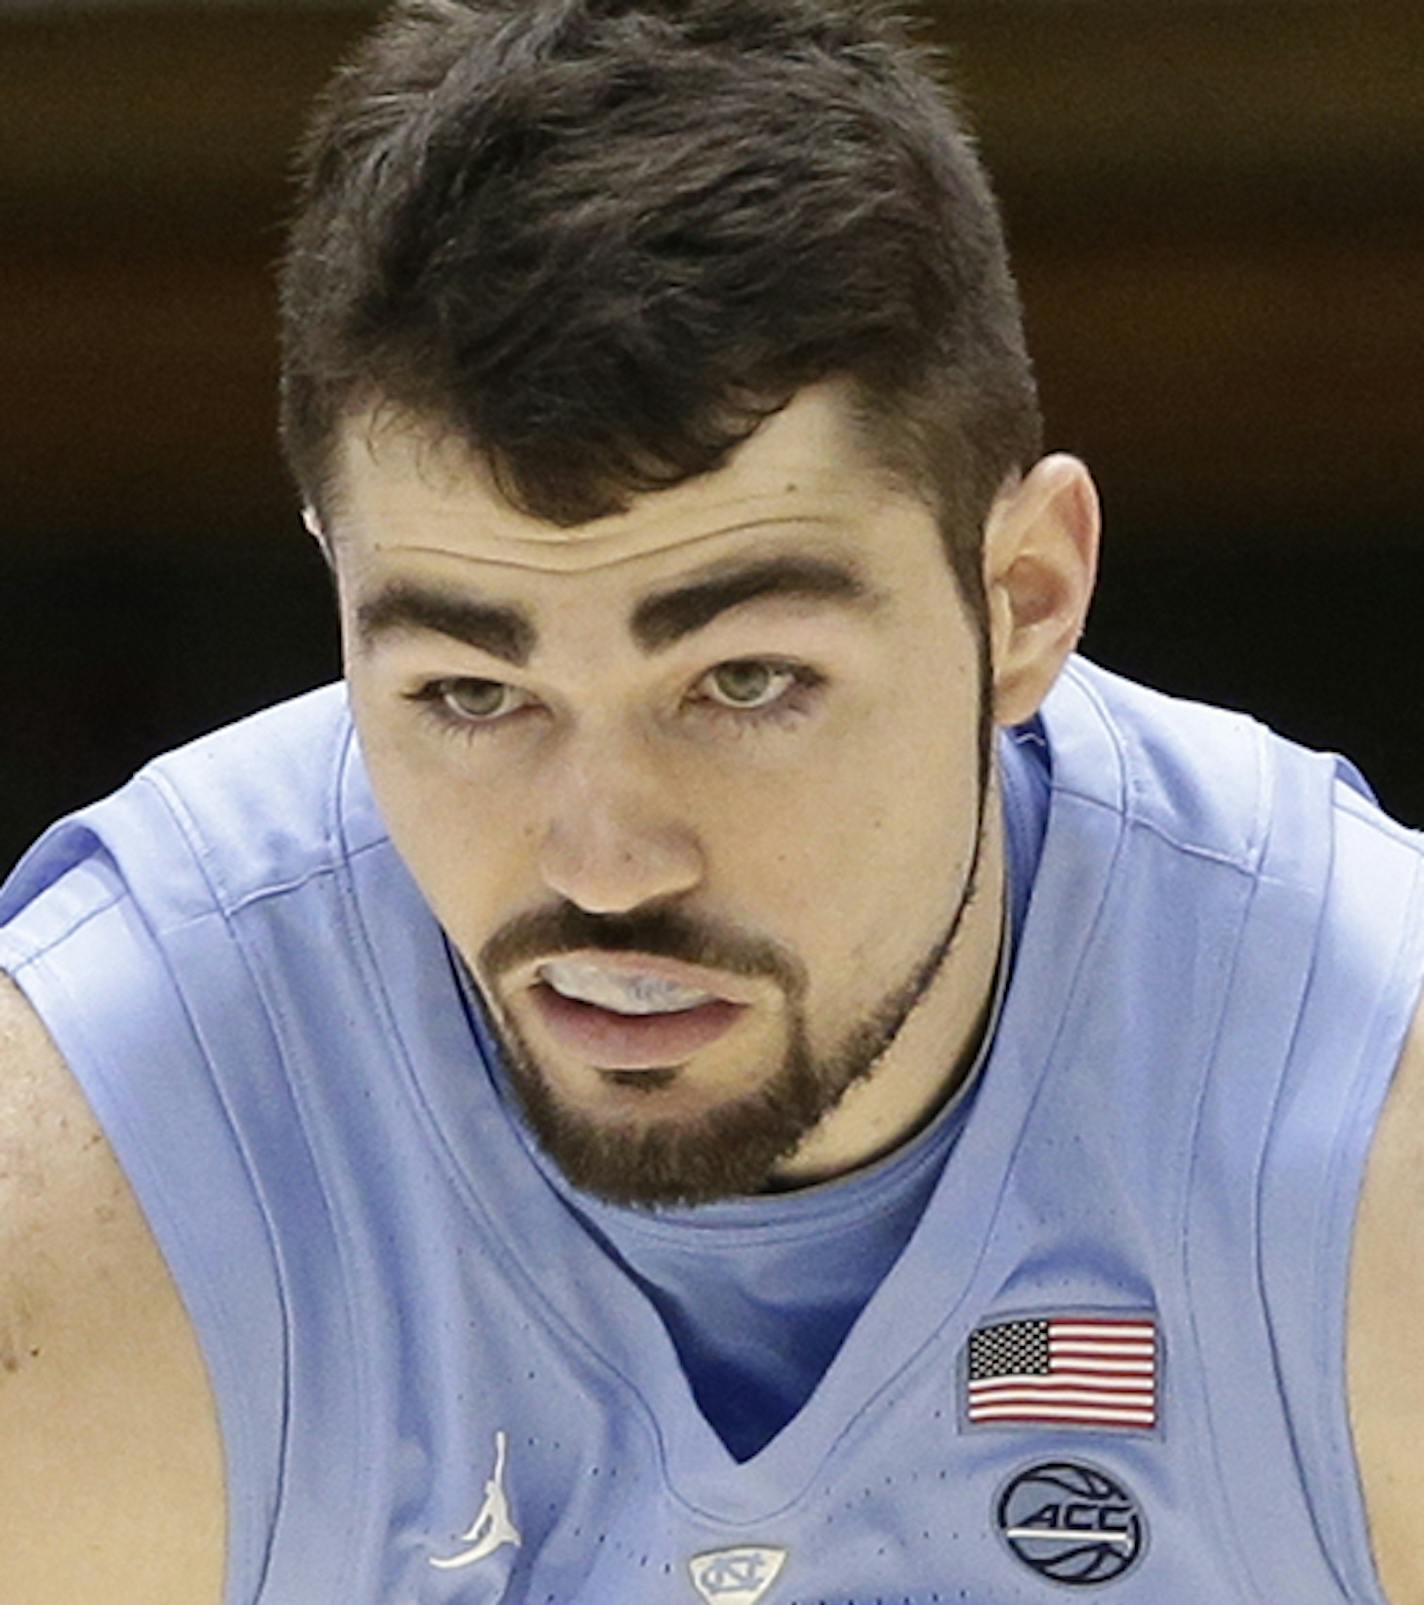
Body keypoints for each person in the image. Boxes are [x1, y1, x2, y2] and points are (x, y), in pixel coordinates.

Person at [1, 1, 1419, 1600]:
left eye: (745, 683)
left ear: (1023, 599)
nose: (604, 862)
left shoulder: (1376, 1131)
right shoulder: (97, 1167)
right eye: (473, 694)